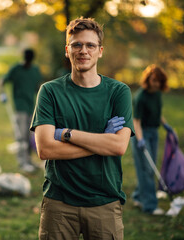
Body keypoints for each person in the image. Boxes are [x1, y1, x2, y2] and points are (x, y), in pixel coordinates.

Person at [30, 17, 134, 240]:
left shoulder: (118, 92)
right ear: (67, 50)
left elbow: (118, 146)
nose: (83, 50)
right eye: (76, 44)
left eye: (90, 45)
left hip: (104, 202)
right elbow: (46, 149)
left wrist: (66, 134)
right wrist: (101, 141)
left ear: (100, 51)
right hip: (59, 204)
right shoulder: (50, 91)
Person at [131, 64, 172, 215]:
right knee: (148, 169)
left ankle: (138, 196)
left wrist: (166, 125)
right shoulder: (140, 97)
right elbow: (136, 121)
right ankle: (149, 206)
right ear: (148, 80)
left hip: (154, 133)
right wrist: (140, 140)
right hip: (142, 134)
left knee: (149, 166)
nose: (156, 84)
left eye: (159, 81)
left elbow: (157, 112)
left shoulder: (157, 94)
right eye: (154, 80)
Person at [0, 48, 42, 173]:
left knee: (29, 136)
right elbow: (2, 81)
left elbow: (38, 87)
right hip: (20, 107)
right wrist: (2, 94)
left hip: (32, 107)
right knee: (21, 135)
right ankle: (22, 162)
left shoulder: (35, 70)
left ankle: (28, 160)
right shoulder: (16, 69)